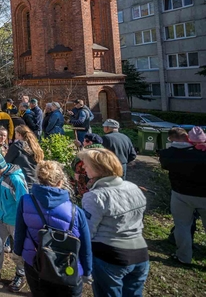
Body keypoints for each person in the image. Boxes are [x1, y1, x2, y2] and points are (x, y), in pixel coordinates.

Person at [14, 160, 93, 297]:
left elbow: (20, 232)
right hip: (67, 267)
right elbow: (85, 245)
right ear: (61, 181)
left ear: (38, 178)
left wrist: (18, 253)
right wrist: (87, 271)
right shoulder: (75, 211)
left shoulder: (26, 201)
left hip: (35, 262)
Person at [79, 149, 149, 297]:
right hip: (141, 254)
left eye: (86, 165)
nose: (83, 168)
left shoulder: (94, 197)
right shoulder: (134, 187)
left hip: (110, 257)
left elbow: (88, 232)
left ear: (98, 169)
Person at [159, 127, 206, 265]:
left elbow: (166, 165)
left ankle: (183, 257)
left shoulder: (167, 154)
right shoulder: (201, 152)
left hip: (181, 194)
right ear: (187, 138)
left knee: (182, 226)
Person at [0, 151, 28, 293]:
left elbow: (23, 201)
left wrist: (21, 222)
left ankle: (21, 274)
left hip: (15, 221)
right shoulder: (0, 176)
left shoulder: (15, 179)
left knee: (19, 249)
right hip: (0, 218)